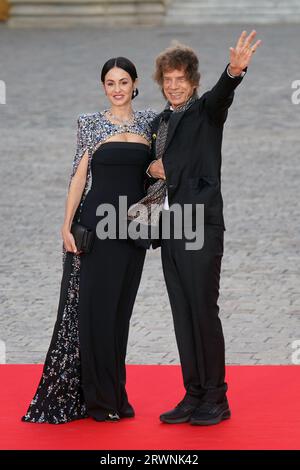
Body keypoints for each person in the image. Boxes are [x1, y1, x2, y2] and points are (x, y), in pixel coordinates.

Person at [21, 57, 156, 424]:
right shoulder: (90, 124)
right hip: (95, 229)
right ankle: (98, 401)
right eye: (110, 83)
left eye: (123, 82)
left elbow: (155, 178)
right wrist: (66, 226)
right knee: (94, 313)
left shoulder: (151, 123)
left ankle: (115, 394)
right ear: (103, 87)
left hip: (131, 231)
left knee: (119, 314)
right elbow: (79, 177)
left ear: (135, 83)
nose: (117, 89)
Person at [146, 31, 261, 425]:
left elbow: (222, 95)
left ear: (193, 82)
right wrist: (150, 168)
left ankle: (217, 397)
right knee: (182, 313)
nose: (174, 86)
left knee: (202, 311)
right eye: (168, 80)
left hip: (201, 226)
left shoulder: (205, 112)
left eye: (181, 79)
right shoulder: (161, 121)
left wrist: (233, 71)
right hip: (170, 227)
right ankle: (193, 394)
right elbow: (151, 168)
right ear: (161, 83)